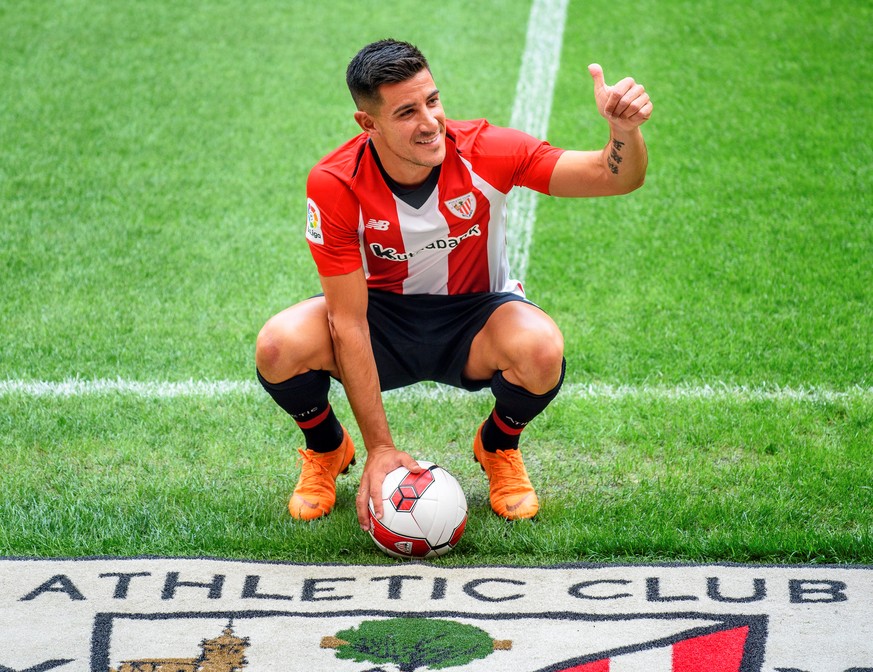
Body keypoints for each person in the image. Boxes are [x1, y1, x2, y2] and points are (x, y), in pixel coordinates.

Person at [255, 39, 651, 531]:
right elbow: (347, 319)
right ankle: (328, 448)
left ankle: (499, 445)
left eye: (433, 101)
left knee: (542, 350)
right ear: (368, 124)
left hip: (476, 317)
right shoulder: (335, 183)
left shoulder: (487, 150)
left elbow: (613, 177)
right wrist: (380, 448)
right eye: (406, 112)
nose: (429, 122)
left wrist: (623, 132)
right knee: (278, 346)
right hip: (381, 318)